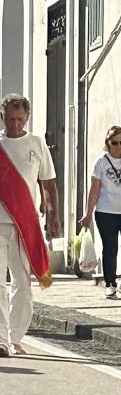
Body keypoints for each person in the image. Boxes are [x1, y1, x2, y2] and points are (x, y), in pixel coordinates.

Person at [0, 94, 60, 358]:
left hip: (25, 223)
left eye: (20, 119)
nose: (16, 124)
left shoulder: (38, 144)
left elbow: (49, 184)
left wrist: (55, 218)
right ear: (1, 117)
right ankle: (0, 339)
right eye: (10, 119)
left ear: (27, 117)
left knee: (22, 281)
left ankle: (16, 336)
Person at [79, 124, 121, 299]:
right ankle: (110, 283)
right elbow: (94, 190)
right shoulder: (101, 162)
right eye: (114, 142)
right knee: (110, 248)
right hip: (106, 212)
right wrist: (88, 214)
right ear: (108, 142)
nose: (118, 146)